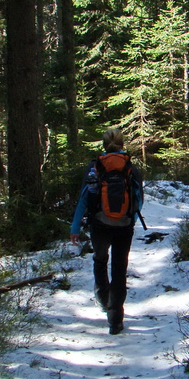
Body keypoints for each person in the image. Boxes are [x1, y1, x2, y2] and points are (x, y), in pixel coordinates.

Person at [70, 128, 144, 335]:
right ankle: (116, 320)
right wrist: (131, 219)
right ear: (122, 144)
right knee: (120, 269)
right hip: (124, 225)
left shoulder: (94, 167)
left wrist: (75, 227)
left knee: (100, 260)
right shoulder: (131, 168)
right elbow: (139, 199)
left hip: (99, 224)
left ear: (104, 145)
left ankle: (103, 300)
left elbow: (84, 198)